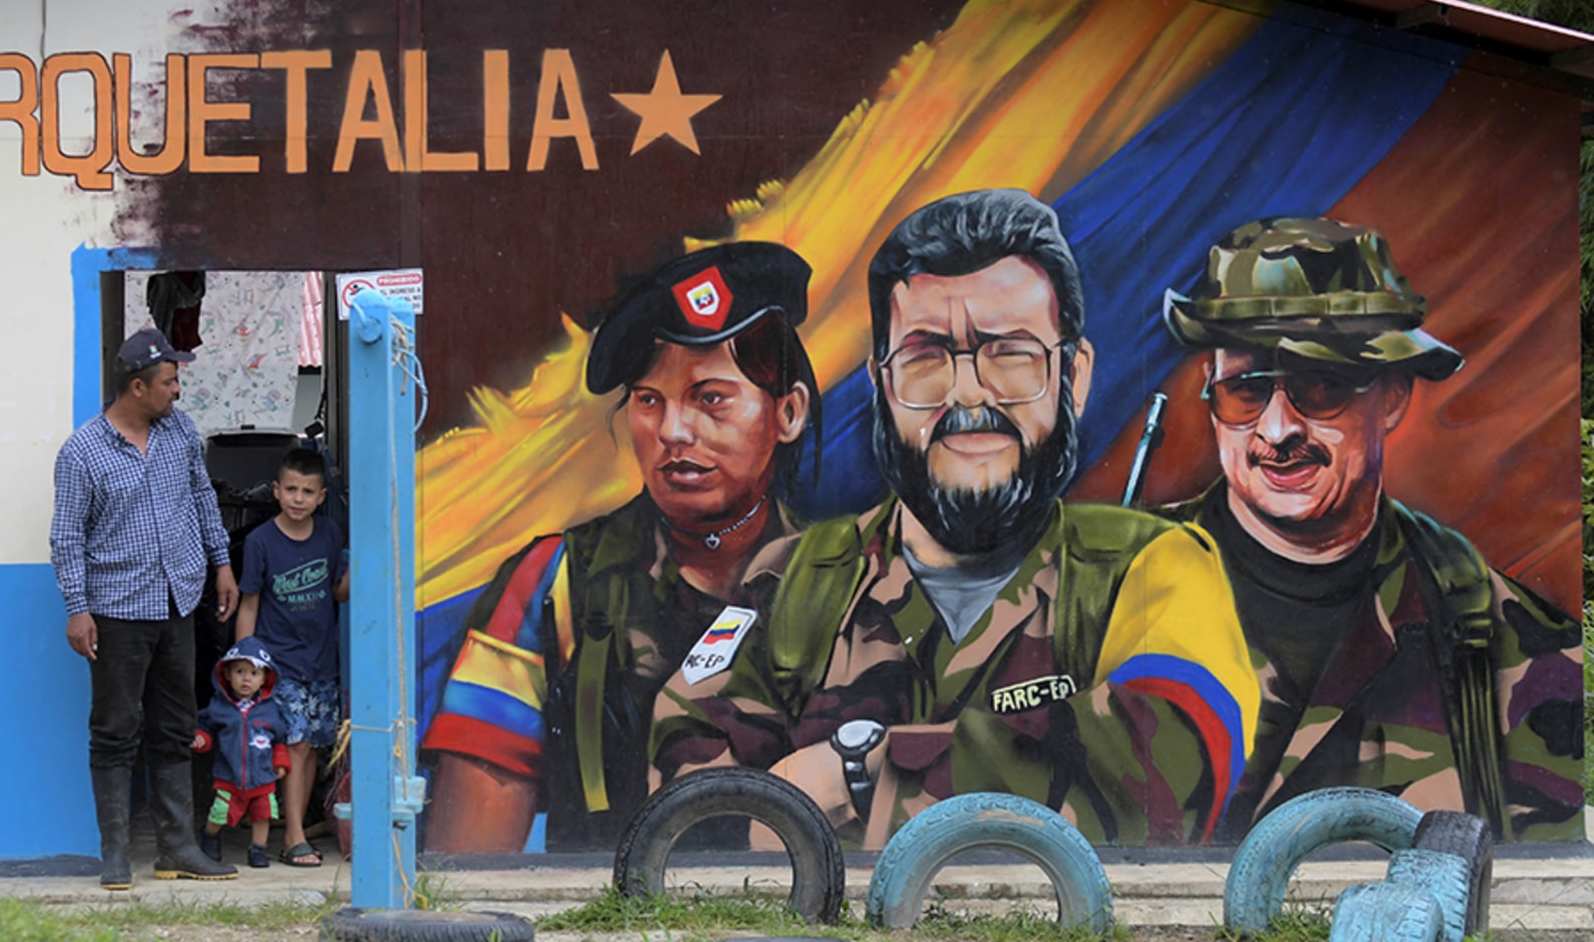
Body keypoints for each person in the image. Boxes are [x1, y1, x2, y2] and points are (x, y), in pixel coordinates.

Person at [650, 189, 1261, 847]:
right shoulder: (793, 579)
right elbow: (685, 792)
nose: (968, 394)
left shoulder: (1154, 567)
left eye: (1011, 353)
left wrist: (858, 777)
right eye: (926, 358)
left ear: (1074, 377)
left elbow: (1167, 767)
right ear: (883, 386)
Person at [1158, 215, 1584, 840]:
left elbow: (1539, 874)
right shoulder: (1101, 593)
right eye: (1246, 390)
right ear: (1211, 393)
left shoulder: (1503, 638)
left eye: (1321, 386)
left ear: (1393, 397)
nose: (1277, 430)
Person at [421, 242, 821, 852]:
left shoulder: (851, 580)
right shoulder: (551, 583)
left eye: (710, 398)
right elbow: (472, 861)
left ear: (788, 412)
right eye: (648, 400)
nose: (672, 431)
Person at [50, 327, 239, 888]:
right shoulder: (83, 451)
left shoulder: (179, 431)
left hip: (178, 601)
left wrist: (222, 563)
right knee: (115, 728)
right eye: (169, 381)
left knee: (175, 726)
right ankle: (114, 854)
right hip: (116, 610)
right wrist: (77, 608)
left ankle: (176, 848)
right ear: (138, 387)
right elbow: (67, 536)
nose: (177, 390)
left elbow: (202, 497)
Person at [235, 447, 349, 868]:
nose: (298, 499)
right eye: (291, 490)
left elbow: (337, 592)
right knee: (296, 746)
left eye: (308, 491)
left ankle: (294, 825)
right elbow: (249, 604)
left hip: (321, 661)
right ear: (276, 491)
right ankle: (294, 838)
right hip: (279, 661)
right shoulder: (260, 542)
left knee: (313, 747)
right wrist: (244, 665)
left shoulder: (329, 534)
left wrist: (369, 557)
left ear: (321, 497)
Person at [191, 637, 292, 868]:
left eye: (254, 673)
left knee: (263, 813)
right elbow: (205, 726)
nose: (246, 679)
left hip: (262, 776)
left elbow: (279, 738)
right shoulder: (219, 707)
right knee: (220, 812)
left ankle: (258, 848)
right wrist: (202, 739)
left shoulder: (270, 711)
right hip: (229, 776)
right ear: (226, 674)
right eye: (239, 672)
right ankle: (210, 835)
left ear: (265, 678)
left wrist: (280, 761)